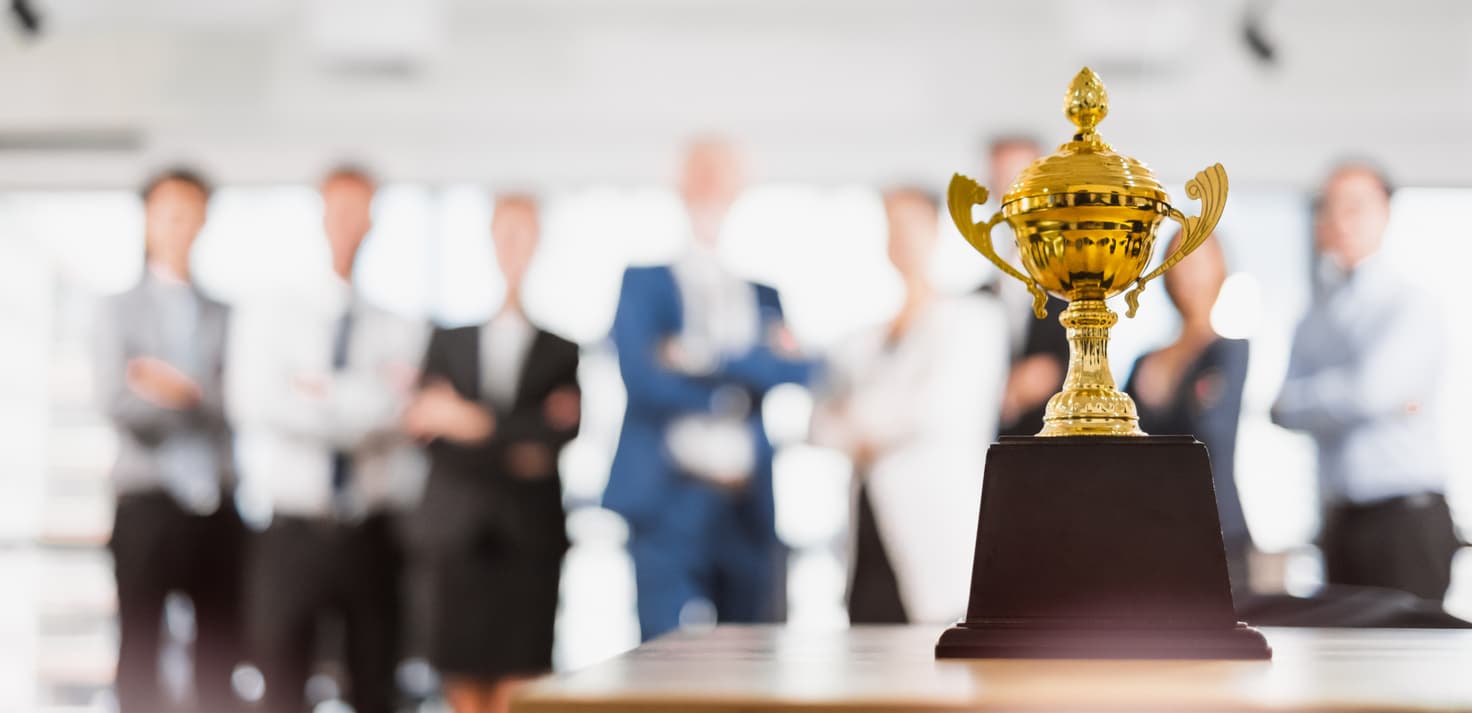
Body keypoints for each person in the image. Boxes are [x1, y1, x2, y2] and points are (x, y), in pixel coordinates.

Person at [227, 167, 427, 713]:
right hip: (291, 534)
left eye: (360, 212)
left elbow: (406, 414)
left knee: (376, 690)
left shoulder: (399, 325)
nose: (349, 225)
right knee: (282, 692)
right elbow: (257, 405)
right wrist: (368, 401)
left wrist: (320, 391)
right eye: (339, 210)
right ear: (320, 215)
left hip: (372, 534)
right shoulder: (271, 312)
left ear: (374, 221)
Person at [604, 139, 816, 641]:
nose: (709, 187)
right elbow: (643, 377)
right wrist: (735, 390)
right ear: (677, 182)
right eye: (699, 173)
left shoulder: (765, 294)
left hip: (745, 503)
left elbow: (799, 372)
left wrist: (701, 355)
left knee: (753, 654)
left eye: (721, 175)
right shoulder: (642, 283)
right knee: (659, 657)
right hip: (666, 498)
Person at [404, 195, 580, 713]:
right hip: (455, 535)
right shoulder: (447, 340)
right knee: (460, 682)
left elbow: (555, 441)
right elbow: (427, 428)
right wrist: (516, 439)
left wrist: (468, 420)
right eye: (506, 233)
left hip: (530, 541)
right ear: (490, 239)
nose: (514, 246)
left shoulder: (562, 350)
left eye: (524, 234)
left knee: (521, 684)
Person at [810, 187, 1007, 624]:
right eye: (891, 227)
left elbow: (933, 409)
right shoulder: (865, 339)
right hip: (870, 525)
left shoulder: (974, 320)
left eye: (910, 226)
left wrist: (854, 420)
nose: (899, 238)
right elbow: (820, 422)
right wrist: (859, 422)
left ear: (936, 230)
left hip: (936, 526)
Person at [1272, 162, 1461, 602]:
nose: (1339, 220)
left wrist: (1320, 398)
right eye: (1329, 208)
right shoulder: (1312, 317)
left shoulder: (1413, 304)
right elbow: (1281, 408)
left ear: (1386, 213)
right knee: (1343, 663)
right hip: (1339, 521)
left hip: (1407, 520)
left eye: (1354, 207)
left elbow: (1369, 394)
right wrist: (1352, 397)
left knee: (1413, 664)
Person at [96, 168, 246, 712]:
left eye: (192, 215)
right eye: (170, 213)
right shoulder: (116, 310)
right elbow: (118, 403)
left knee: (219, 654)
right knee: (138, 650)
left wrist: (177, 389)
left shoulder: (227, 315)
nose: (182, 227)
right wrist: (203, 394)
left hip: (217, 510)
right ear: (149, 220)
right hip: (146, 506)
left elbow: (239, 403)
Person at [1123, 230, 1252, 593]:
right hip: (1151, 537)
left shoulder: (1229, 352)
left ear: (1221, 270)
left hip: (1217, 533)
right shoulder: (1143, 361)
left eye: (1199, 261)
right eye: (1180, 261)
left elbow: (1211, 431)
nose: (1189, 273)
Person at [983, 136, 1069, 437]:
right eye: (1002, 179)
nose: (1011, 192)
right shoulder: (976, 300)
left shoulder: (1075, 290)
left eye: (1020, 178)